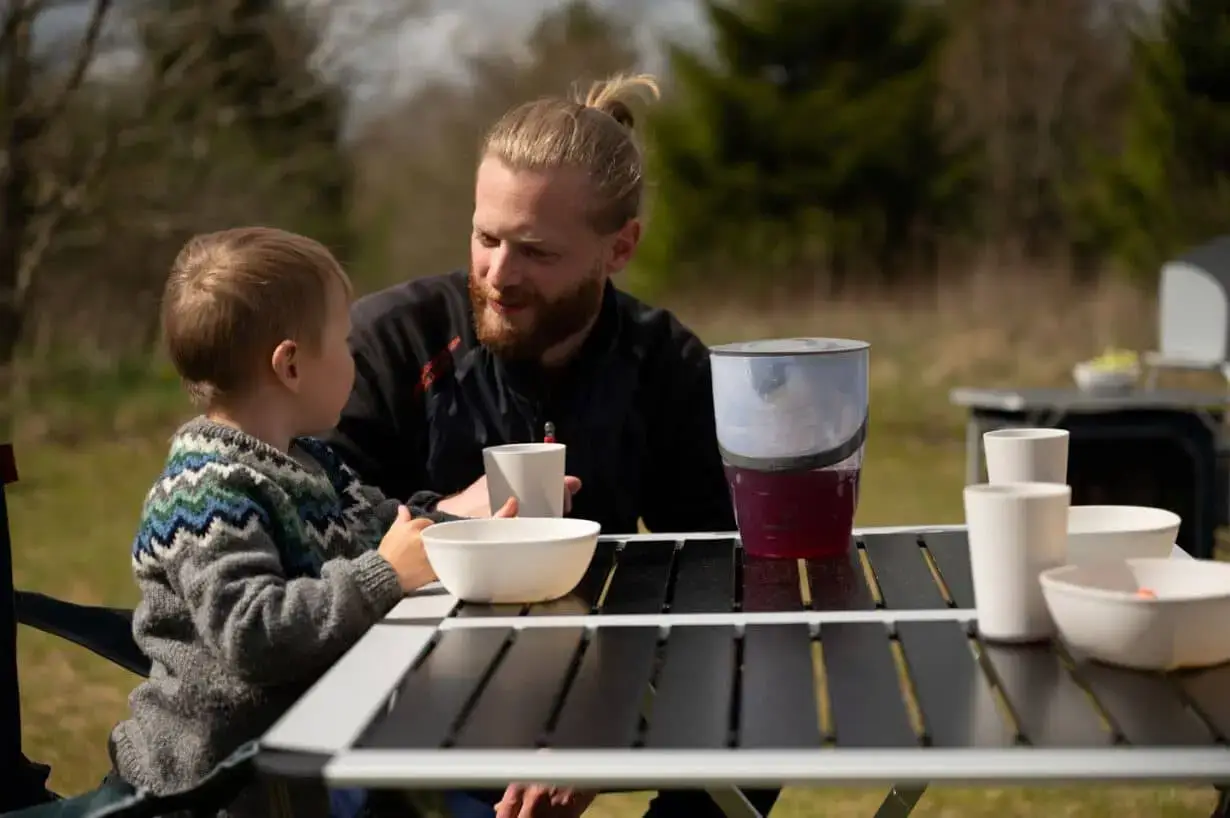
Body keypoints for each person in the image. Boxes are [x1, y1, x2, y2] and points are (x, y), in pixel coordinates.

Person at [325, 75, 781, 818]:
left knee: (761, 712)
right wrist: (441, 517)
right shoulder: (386, 343)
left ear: (620, 247)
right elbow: (309, 535)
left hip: (601, 676)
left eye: (536, 251)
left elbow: (715, 576)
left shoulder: (665, 365)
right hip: (405, 695)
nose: (500, 276)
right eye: (486, 238)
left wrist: (603, 715)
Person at [0, 227, 532, 818]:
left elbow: (383, 522)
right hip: (205, 792)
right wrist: (383, 574)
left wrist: (473, 524)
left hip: (298, 766)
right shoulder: (205, 494)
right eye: (345, 343)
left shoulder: (308, 461)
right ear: (292, 364)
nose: (356, 360)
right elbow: (252, 634)